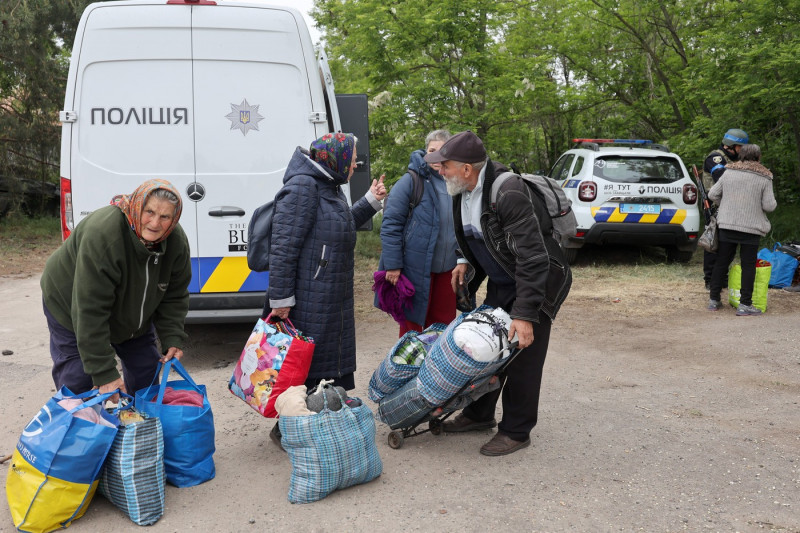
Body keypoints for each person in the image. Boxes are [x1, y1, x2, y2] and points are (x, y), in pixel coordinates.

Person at [424, 131, 572, 456]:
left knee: (522, 356)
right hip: (504, 280)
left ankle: (517, 430)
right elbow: (475, 234)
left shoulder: (508, 191)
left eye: (445, 165)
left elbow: (533, 258)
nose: (441, 171)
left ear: (466, 168)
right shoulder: (460, 191)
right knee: (487, 349)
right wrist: (464, 261)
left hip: (538, 281)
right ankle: (479, 415)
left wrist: (524, 315)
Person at [266, 132, 386, 446]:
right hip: (307, 297)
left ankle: (313, 422)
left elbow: (339, 224)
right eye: (353, 157)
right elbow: (283, 246)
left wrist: (370, 202)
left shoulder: (328, 185)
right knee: (303, 366)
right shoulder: (304, 187)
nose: (355, 163)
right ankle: (290, 429)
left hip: (328, 295)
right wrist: (281, 299)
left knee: (323, 364)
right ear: (337, 158)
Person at [41, 179, 191, 401]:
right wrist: (104, 373)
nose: (155, 223)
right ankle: (80, 432)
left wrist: (172, 337)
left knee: (146, 371)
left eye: (165, 217)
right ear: (137, 206)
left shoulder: (176, 242)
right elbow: (90, 309)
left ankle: (141, 430)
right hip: (71, 304)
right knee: (79, 379)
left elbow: (174, 295)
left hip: (130, 315)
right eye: (149, 212)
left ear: (174, 219)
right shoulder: (104, 234)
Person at [377, 129, 458, 336]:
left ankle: (435, 366)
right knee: (411, 328)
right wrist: (393, 265)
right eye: (432, 150)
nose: (436, 156)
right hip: (415, 268)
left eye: (442, 151)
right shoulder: (411, 181)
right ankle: (409, 368)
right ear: (425, 152)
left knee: (442, 327)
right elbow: (391, 225)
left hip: (447, 269)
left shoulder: (456, 182)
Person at [707, 144, 776, 315]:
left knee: (722, 261)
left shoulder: (728, 172)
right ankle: (745, 305)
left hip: (727, 224)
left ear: (741, 156)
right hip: (751, 227)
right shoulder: (764, 177)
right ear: (759, 157)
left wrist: (728, 205)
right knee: (748, 265)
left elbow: (712, 194)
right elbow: (769, 206)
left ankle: (714, 300)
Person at [702, 128, 748, 289]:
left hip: (730, 206)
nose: (742, 151)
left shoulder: (733, 159)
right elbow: (722, 179)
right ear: (731, 145)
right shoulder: (715, 158)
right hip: (714, 206)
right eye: (740, 148)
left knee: (726, 243)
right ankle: (710, 279)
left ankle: (721, 278)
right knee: (712, 242)